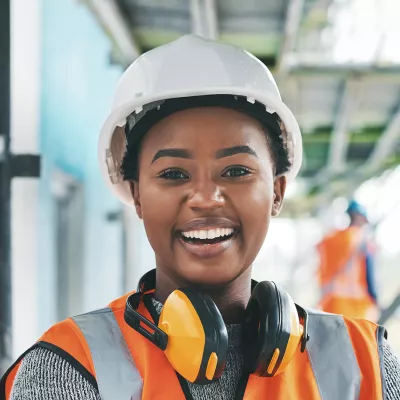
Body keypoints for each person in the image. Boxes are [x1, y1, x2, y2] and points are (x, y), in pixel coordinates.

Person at [2, 35, 400, 400]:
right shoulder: (70, 369)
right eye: (174, 174)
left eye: (236, 171)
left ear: (276, 192)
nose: (207, 198)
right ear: (137, 195)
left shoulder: (365, 366)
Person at [317, 200, 379, 320]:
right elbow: (369, 273)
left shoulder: (330, 240)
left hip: (331, 301)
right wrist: (375, 297)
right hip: (357, 304)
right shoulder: (363, 240)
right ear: (358, 217)